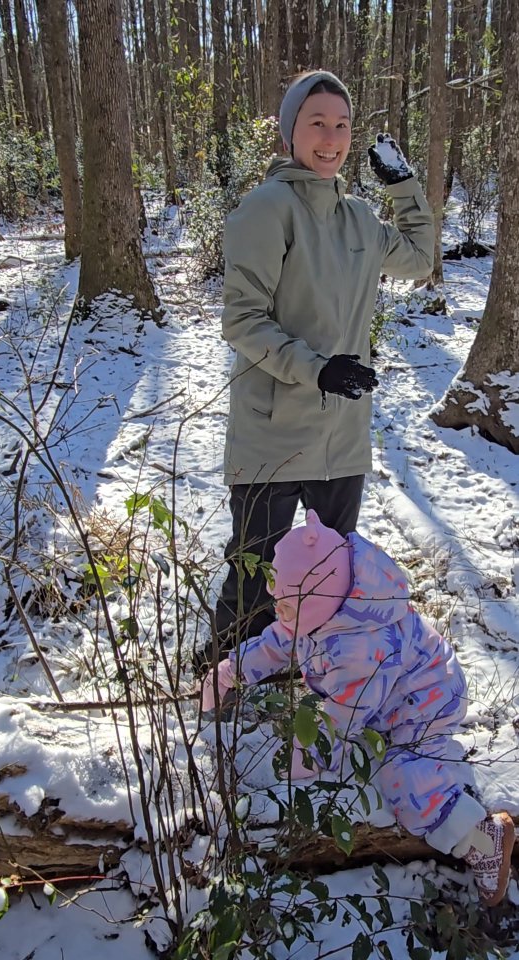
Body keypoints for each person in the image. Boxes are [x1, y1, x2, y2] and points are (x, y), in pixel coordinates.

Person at [212, 69, 435, 653]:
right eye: (317, 123)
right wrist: (317, 368)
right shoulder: (267, 208)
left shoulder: (359, 217)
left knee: (332, 572)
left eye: (341, 125)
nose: (331, 137)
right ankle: (230, 684)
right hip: (273, 433)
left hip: (341, 435)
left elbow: (417, 260)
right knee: (255, 575)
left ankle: (315, 671)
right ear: (290, 133)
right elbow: (241, 319)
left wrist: (405, 187)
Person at [203, 510, 514, 907]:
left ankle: (482, 838)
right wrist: (230, 672)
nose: (279, 612)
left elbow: (344, 717)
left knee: (404, 776)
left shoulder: (362, 649)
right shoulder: (326, 606)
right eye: (277, 600)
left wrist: (308, 753)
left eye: (287, 605)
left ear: (318, 599)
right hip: (387, 692)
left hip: (426, 701)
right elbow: (279, 638)